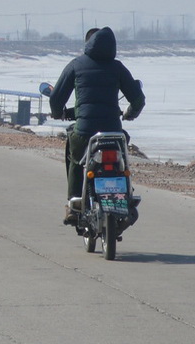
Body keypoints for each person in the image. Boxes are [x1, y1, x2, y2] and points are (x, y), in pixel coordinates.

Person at [49, 27, 145, 221]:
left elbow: (56, 99)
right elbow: (138, 100)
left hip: (85, 132)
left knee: (75, 156)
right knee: (122, 159)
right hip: (113, 132)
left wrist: (58, 113)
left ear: (88, 44)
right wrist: (130, 114)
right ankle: (126, 192)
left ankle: (74, 203)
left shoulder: (76, 65)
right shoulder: (118, 67)